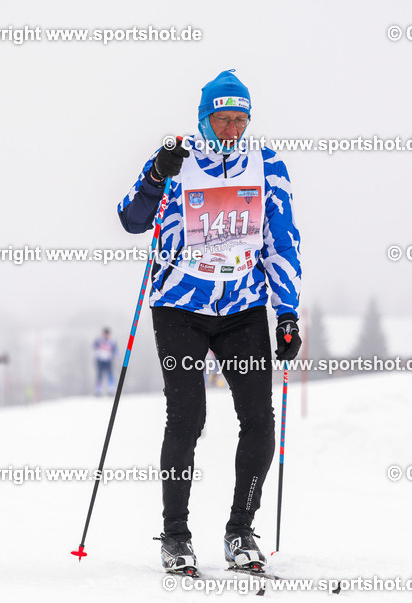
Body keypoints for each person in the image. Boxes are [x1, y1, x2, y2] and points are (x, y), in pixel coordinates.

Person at [117, 70, 302, 575]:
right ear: (204, 119)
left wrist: (286, 311)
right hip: (179, 306)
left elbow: (281, 242)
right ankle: (175, 536)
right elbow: (132, 219)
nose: (231, 129)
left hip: (242, 307)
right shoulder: (178, 159)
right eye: (222, 119)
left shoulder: (267, 165)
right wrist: (157, 174)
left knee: (259, 419)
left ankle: (240, 530)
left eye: (240, 119)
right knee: (188, 417)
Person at [92, 327, 118, 397]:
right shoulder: (99, 341)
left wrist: (113, 354)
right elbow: (94, 347)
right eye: (105, 334)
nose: (106, 335)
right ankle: (98, 390)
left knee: (110, 375)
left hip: (108, 360)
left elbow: (116, 351)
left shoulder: (112, 342)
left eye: (107, 334)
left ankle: (111, 390)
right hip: (100, 360)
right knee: (99, 376)